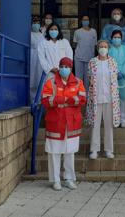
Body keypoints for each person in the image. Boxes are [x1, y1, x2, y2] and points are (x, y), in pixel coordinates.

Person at [41, 57, 86, 190]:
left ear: (71, 68)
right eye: (62, 66)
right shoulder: (51, 82)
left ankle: (69, 178)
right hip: (56, 122)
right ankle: (56, 180)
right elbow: (45, 100)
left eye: (67, 67)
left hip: (71, 122)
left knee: (70, 152)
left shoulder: (78, 82)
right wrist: (64, 99)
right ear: (59, 67)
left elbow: (82, 99)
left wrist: (68, 100)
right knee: (54, 152)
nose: (64, 69)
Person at [86, 40, 120, 159]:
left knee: (108, 125)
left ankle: (109, 150)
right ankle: (94, 150)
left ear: (108, 48)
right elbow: (90, 78)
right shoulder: (92, 62)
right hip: (96, 97)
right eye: (101, 46)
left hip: (110, 98)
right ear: (97, 48)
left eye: (105, 47)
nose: (103, 48)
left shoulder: (112, 62)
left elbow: (115, 79)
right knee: (95, 124)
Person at [108, 29, 125, 128]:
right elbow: (109, 61)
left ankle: (124, 121)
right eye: (115, 37)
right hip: (112, 77)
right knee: (114, 99)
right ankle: (116, 120)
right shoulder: (109, 49)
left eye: (118, 37)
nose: (117, 39)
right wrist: (115, 72)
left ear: (121, 39)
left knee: (124, 100)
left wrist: (122, 72)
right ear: (111, 39)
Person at [72, 15, 97, 90]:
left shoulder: (93, 31)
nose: (85, 21)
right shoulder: (77, 32)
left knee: (88, 78)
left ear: (89, 21)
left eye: (87, 20)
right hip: (79, 58)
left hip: (90, 58)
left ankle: (87, 96)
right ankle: (79, 95)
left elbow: (95, 45)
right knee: (78, 78)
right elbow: (74, 44)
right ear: (81, 21)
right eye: (83, 20)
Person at [29, 16, 45, 103]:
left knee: (39, 80)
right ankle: (32, 101)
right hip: (31, 58)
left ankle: (39, 101)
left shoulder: (42, 35)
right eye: (34, 23)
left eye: (38, 23)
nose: (36, 24)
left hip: (40, 60)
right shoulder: (29, 34)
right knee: (32, 80)